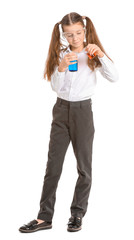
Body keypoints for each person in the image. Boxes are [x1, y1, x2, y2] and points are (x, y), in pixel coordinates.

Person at [19, 12, 119, 233]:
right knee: (52, 165)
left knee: (84, 167)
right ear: (63, 35)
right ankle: (44, 217)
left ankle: (77, 214)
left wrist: (101, 54)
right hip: (61, 110)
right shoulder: (61, 54)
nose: (74, 38)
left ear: (85, 31)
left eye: (78, 33)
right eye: (69, 35)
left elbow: (114, 77)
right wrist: (61, 67)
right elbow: (56, 86)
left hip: (83, 112)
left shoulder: (92, 53)